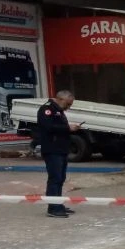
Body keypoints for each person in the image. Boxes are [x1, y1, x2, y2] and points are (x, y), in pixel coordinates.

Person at [38, 90, 79, 218]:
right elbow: (48, 127)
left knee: (60, 179)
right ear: (60, 99)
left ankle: (58, 204)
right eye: (68, 104)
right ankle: (53, 208)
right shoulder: (47, 109)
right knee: (54, 179)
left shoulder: (59, 111)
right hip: (52, 149)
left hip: (61, 149)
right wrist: (68, 128)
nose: (69, 107)